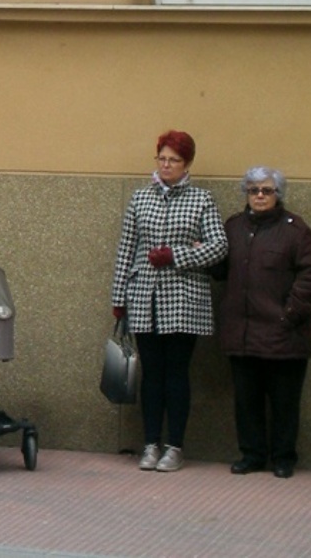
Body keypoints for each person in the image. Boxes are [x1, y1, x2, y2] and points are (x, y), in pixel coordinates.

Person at [110, 130, 228, 473]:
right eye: (161, 158)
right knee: (152, 374)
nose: (166, 165)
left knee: (177, 373)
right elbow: (126, 250)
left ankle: (175, 445)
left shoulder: (202, 200)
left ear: (187, 164)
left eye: (173, 160)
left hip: (184, 298)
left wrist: (176, 255)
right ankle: (150, 443)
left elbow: (219, 246)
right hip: (144, 295)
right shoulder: (141, 198)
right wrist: (119, 297)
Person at [212, 167, 311, 479]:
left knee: (284, 403)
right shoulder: (233, 227)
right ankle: (252, 455)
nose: (259, 196)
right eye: (253, 190)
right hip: (243, 334)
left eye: (266, 190)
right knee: (246, 401)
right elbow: (222, 270)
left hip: (284, 335)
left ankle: (284, 457)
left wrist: (289, 314)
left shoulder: (296, 230)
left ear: (279, 194)